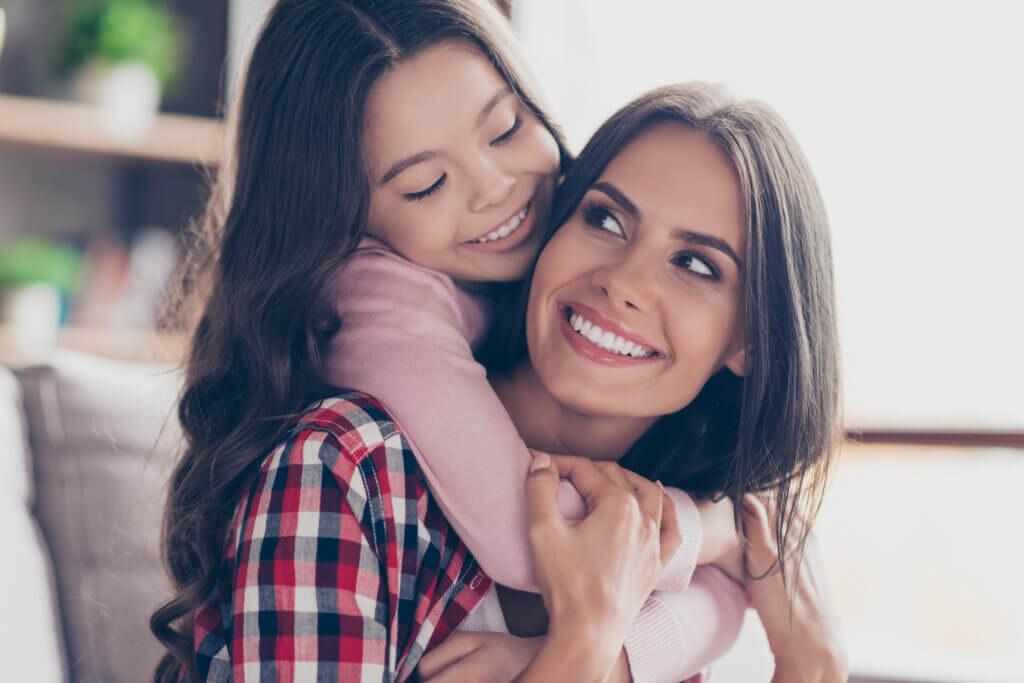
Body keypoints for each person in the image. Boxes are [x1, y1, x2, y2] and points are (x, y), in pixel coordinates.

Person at [150, 2, 747, 682]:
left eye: (506, 127)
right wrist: (598, 639)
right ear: (344, 225)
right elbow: (541, 538)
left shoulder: (645, 424)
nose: (496, 187)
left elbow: (746, 585)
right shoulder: (365, 358)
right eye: (426, 183)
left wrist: (788, 638)